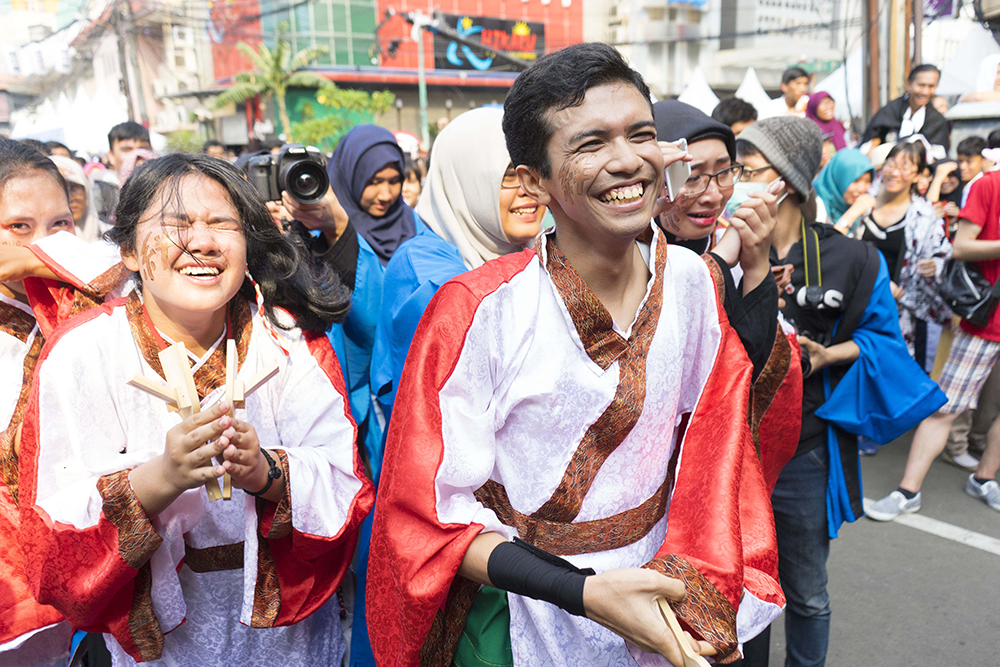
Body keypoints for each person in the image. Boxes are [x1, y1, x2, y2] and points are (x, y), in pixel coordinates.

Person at [367, 42, 784, 667]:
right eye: (590, 144)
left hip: (657, 594)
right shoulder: (476, 310)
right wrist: (584, 592)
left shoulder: (695, 283)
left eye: (640, 134)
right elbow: (426, 517)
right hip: (521, 608)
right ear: (534, 180)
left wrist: (702, 584)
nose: (628, 162)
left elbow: (719, 452)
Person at [17, 154, 375, 666]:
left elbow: (347, 481)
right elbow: (53, 529)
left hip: (284, 643)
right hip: (164, 649)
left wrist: (265, 470)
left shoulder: (289, 340)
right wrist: (163, 476)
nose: (203, 243)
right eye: (176, 225)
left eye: (222, 223)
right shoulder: (83, 352)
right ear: (129, 252)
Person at [737, 117, 944, 667]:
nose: (734, 181)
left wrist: (830, 354)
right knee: (741, 590)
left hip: (804, 449)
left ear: (785, 181)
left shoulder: (854, 260)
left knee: (805, 592)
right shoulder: (716, 251)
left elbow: (884, 341)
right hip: (731, 452)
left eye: (746, 170)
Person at [372, 107, 547, 422]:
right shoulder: (424, 272)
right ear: (467, 178)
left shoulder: (537, 250)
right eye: (510, 175)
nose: (529, 191)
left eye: (535, 174)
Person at [867, 165, 1000, 519]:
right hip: (986, 318)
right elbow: (961, 246)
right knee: (945, 407)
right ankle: (907, 491)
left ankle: (985, 477)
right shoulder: (990, 184)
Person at [853, 142, 952, 370]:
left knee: (891, 369)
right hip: (855, 301)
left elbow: (942, 254)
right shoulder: (863, 203)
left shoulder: (923, 215)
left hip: (896, 309)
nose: (895, 172)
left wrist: (934, 265)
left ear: (918, 175)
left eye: (905, 167)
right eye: (891, 164)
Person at [328, 125, 417, 265]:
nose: (385, 196)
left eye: (394, 182)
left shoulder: (415, 225)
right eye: (374, 183)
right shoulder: (321, 233)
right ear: (350, 177)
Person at [861, 64, 950, 155]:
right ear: (909, 84)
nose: (925, 92)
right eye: (921, 85)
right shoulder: (890, 110)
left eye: (931, 86)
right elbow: (871, 139)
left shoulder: (937, 120)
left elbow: (939, 154)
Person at [91, 121, 152, 223]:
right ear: (111, 156)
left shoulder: (164, 185)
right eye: (127, 149)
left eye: (143, 149)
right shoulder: (102, 189)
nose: (137, 155)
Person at [49, 153, 107, 242]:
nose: (68, 198)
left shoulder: (111, 238)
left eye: (73, 188)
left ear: (87, 191)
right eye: (57, 189)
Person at [814, 148, 875, 230]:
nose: (862, 189)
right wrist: (852, 214)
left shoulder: (861, 207)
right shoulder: (817, 206)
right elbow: (822, 242)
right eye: (855, 180)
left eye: (868, 181)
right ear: (838, 178)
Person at [957, 135, 988, 206]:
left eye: (969, 161)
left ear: (983, 161)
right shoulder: (968, 185)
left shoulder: (981, 187)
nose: (962, 167)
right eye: (960, 161)